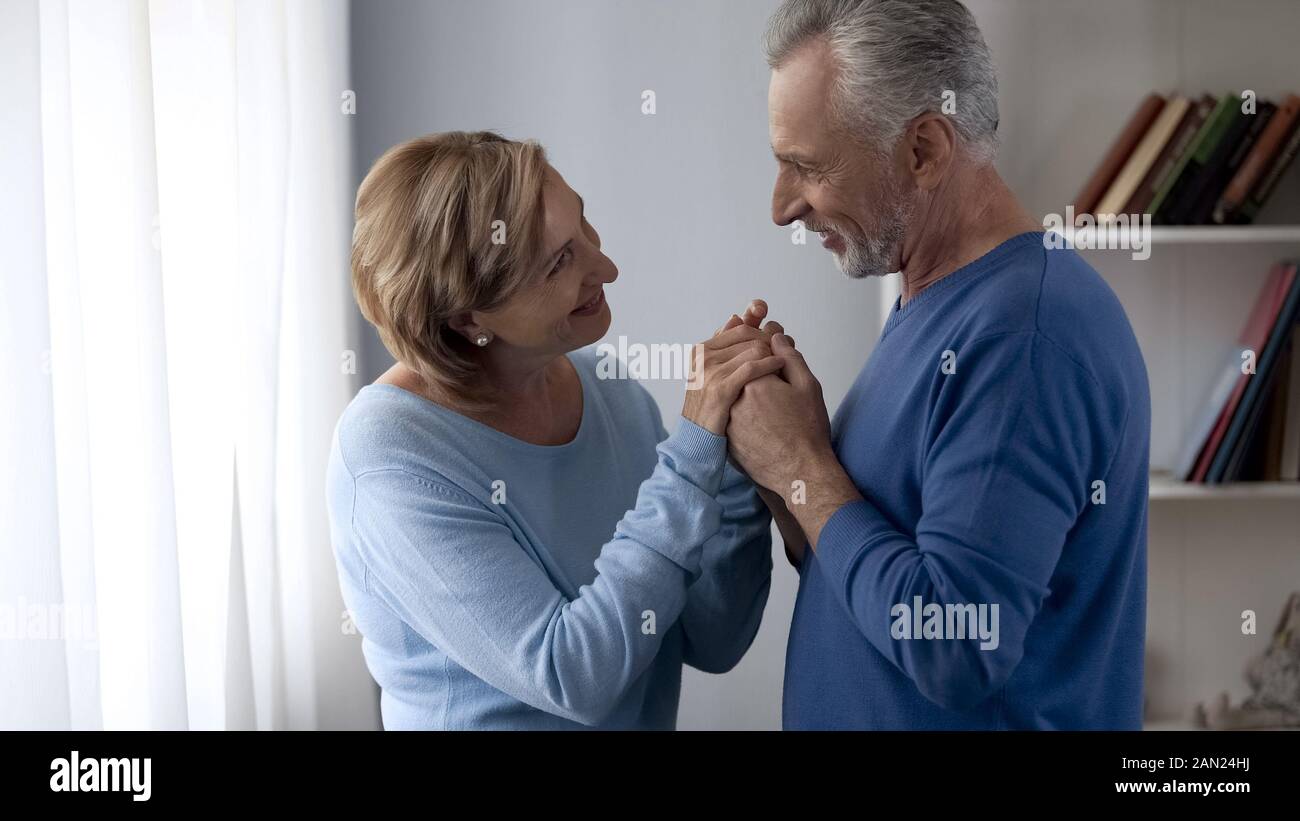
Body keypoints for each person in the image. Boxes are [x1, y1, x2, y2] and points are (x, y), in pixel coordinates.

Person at [725, 0, 1151, 729]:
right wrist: (784, 474)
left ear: (923, 149)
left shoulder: (1024, 337)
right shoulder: (932, 299)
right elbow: (869, 586)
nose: (781, 207)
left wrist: (806, 466)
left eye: (806, 166)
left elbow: (955, 643)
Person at [327, 131, 781, 729]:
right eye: (559, 262)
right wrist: (695, 450)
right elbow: (571, 677)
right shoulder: (389, 453)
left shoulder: (610, 389)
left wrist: (737, 453)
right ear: (469, 319)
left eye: (585, 227)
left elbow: (714, 640)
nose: (607, 267)